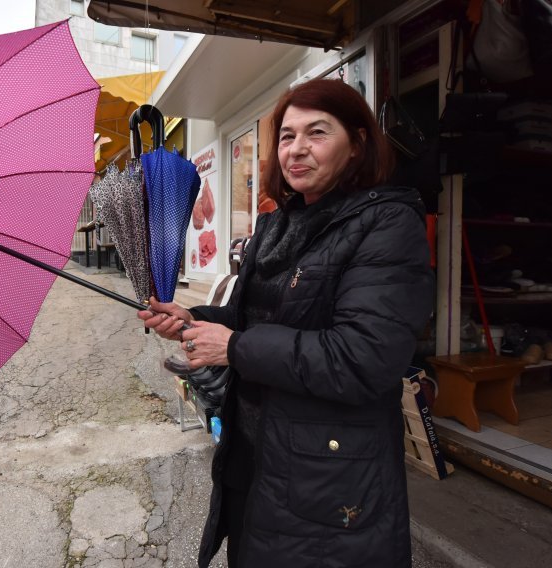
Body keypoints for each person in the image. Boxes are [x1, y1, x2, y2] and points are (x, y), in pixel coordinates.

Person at [139, 78, 434, 568]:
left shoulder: (387, 226)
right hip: (256, 451)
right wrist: (194, 318)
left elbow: (364, 359)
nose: (296, 149)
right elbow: (252, 318)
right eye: (287, 136)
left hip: (330, 472)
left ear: (358, 143)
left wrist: (233, 347)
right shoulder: (277, 223)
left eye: (317, 133)